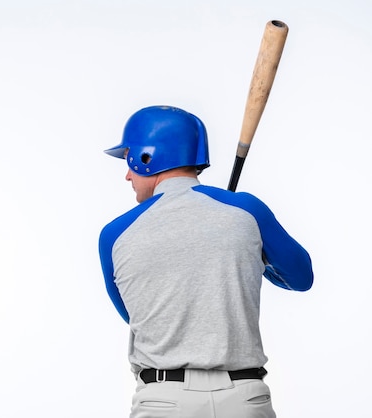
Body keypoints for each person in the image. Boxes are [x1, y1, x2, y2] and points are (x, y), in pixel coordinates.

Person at [98, 105, 313, 418]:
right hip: (243, 400)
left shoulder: (114, 234)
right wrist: (252, 255)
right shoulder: (247, 211)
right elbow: (300, 277)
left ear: (147, 157)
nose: (127, 174)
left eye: (129, 158)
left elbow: (138, 318)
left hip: (162, 402)